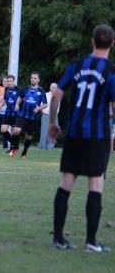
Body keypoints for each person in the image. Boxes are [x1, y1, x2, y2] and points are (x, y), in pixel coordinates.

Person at [48, 24, 115, 253]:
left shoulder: (77, 66)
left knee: (66, 183)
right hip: (97, 137)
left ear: (92, 41)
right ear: (112, 44)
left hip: (74, 134)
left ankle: (58, 238)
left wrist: (53, 123)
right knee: (96, 184)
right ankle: (91, 242)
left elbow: (57, 93)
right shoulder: (110, 71)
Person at [9, 72, 47, 158]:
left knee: (28, 136)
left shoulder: (41, 91)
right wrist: (17, 104)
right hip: (23, 114)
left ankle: (24, 152)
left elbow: (45, 104)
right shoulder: (26, 89)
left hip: (33, 117)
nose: (32, 79)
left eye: (34, 78)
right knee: (16, 131)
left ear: (38, 80)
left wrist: (40, 108)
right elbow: (20, 97)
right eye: (32, 78)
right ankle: (16, 147)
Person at [1, 75, 21, 153]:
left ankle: (13, 148)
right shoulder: (6, 89)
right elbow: (5, 99)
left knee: (14, 132)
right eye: (7, 81)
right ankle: (14, 145)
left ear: (13, 81)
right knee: (3, 129)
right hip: (7, 112)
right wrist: (0, 106)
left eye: (10, 81)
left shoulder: (18, 89)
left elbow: (23, 99)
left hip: (15, 113)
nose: (9, 82)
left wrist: (18, 105)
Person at [39, 83, 59, 150]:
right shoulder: (46, 95)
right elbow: (41, 105)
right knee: (44, 132)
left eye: (55, 87)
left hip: (55, 116)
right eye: (52, 87)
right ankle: (42, 147)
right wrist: (43, 113)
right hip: (46, 115)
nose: (54, 89)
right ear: (50, 88)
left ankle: (50, 147)